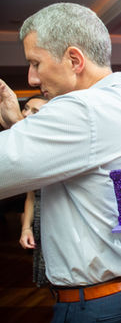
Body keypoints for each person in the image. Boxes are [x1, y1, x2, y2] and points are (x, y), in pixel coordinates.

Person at [0, 3, 121, 323]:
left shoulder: (83, 110)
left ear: (75, 60)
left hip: (99, 306)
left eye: (36, 63)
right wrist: (16, 127)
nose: (32, 78)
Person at [18, 95, 49, 287]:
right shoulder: (25, 146)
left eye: (35, 112)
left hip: (57, 219)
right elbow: (31, 194)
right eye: (26, 108)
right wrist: (26, 228)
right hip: (39, 217)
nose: (27, 114)